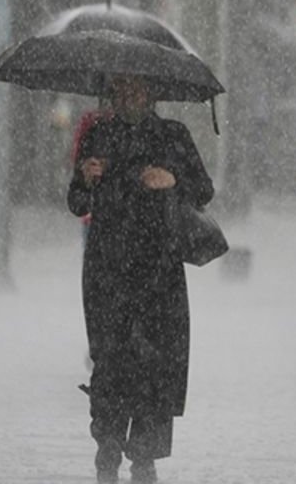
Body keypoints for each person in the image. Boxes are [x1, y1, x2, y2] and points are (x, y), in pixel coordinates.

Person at [67, 75, 213, 484]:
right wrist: (85, 178)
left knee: (157, 362)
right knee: (110, 359)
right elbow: (76, 201)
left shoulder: (173, 136)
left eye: (137, 88)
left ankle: (145, 455)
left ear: (151, 92)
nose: (129, 95)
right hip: (107, 267)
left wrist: (173, 180)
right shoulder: (98, 134)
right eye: (122, 88)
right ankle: (108, 444)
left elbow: (203, 190)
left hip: (159, 268)